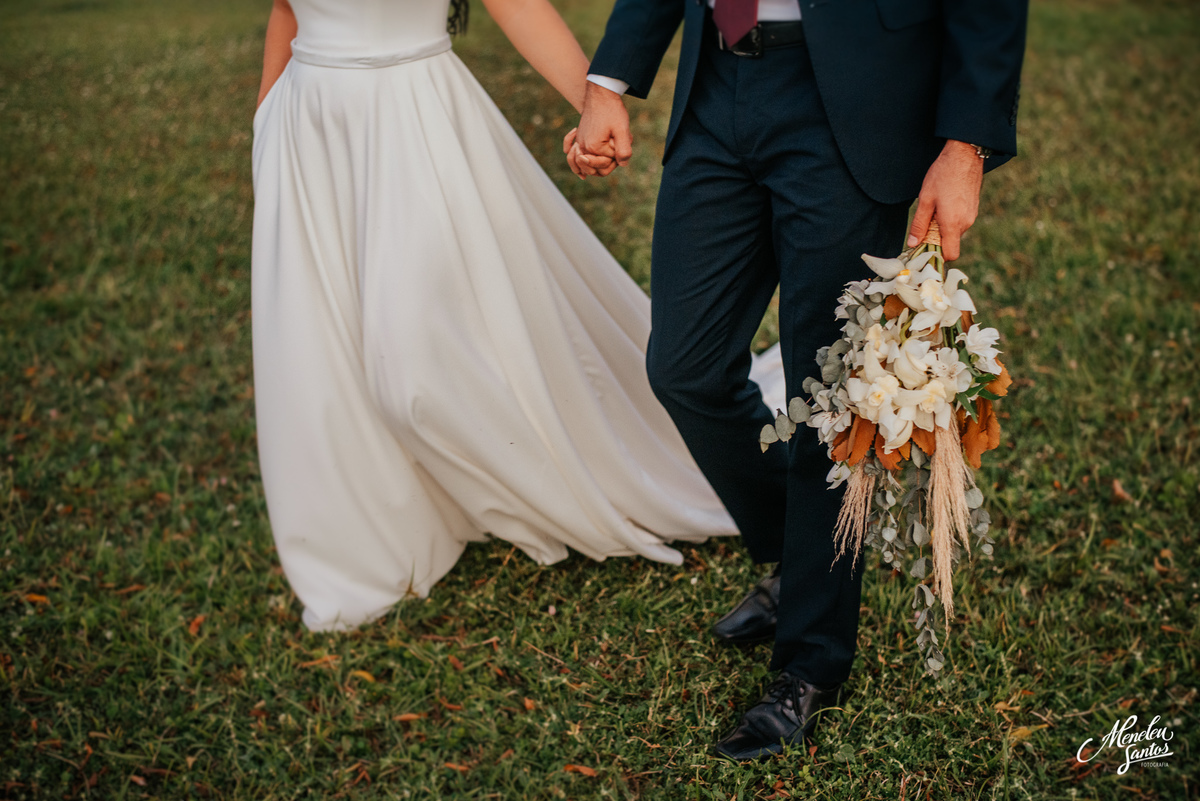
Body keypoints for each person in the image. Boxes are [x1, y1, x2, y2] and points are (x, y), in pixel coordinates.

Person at [573, 0, 1028, 761]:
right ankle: (803, 549)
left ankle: (811, 660)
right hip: (717, 86)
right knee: (684, 366)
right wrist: (608, 80)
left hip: (853, 100)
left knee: (824, 400)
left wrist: (967, 142)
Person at [250, 0, 785, 633]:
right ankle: (378, 533)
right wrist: (264, 121)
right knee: (324, 347)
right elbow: (287, 8)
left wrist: (594, 102)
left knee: (412, 367)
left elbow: (518, 4)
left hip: (412, 125)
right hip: (307, 125)